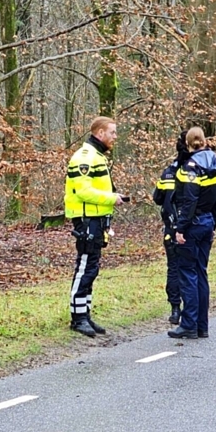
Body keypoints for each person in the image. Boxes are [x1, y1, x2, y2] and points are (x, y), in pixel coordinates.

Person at [64, 116, 128, 337]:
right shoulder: (85, 157)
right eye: (112, 132)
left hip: (96, 219)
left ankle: (85, 314)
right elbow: (83, 191)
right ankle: (77, 317)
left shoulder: (97, 155)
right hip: (86, 219)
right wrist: (111, 198)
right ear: (100, 133)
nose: (115, 137)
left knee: (92, 267)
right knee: (85, 267)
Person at [168, 127, 216, 340]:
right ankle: (202, 326)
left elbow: (189, 200)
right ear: (205, 141)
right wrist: (214, 223)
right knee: (201, 273)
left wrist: (180, 228)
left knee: (188, 272)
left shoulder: (190, 167)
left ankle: (189, 324)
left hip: (193, 224)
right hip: (207, 221)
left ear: (188, 143)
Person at [152, 132, 190, 324]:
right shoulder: (197, 169)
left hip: (171, 227)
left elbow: (157, 197)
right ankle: (192, 311)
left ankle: (175, 309)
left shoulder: (168, 171)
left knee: (173, 268)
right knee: (191, 269)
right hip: (190, 227)